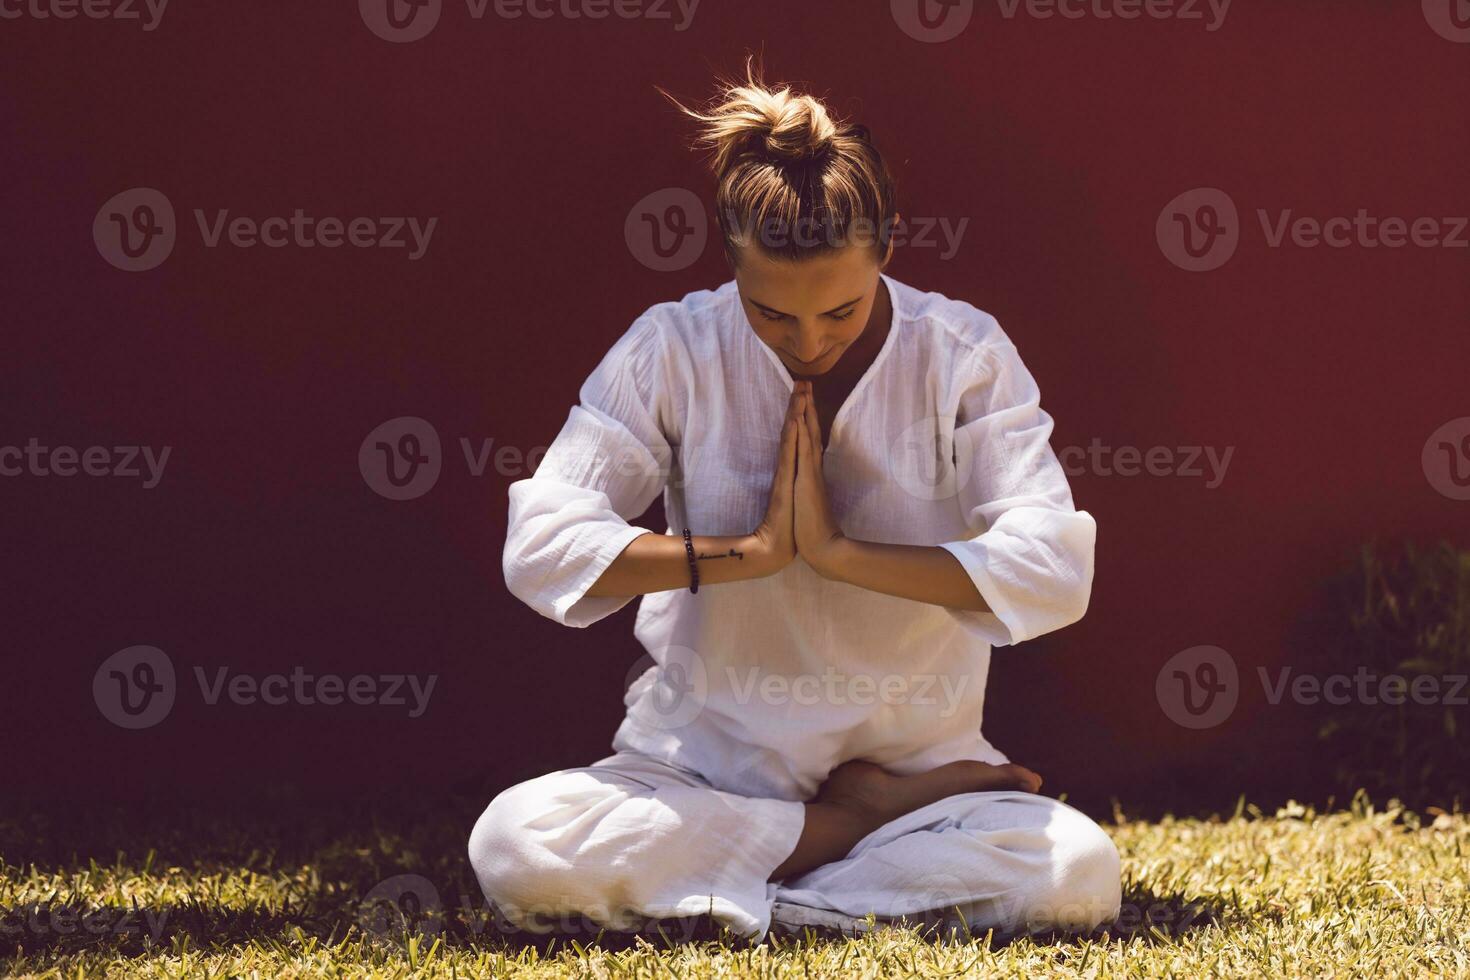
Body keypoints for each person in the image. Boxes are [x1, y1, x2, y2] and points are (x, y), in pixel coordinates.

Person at [468, 64, 1121, 940]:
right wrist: (750, 554)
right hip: (701, 774)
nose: (807, 341)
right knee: (517, 845)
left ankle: (767, 875)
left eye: (840, 311)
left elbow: (1054, 568)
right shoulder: (672, 350)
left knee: (1076, 874)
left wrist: (841, 555)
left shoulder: (963, 353)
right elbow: (542, 543)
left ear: (888, 245)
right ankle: (844, 839)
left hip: (916, 775)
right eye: (772, 315)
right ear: (731, 263)